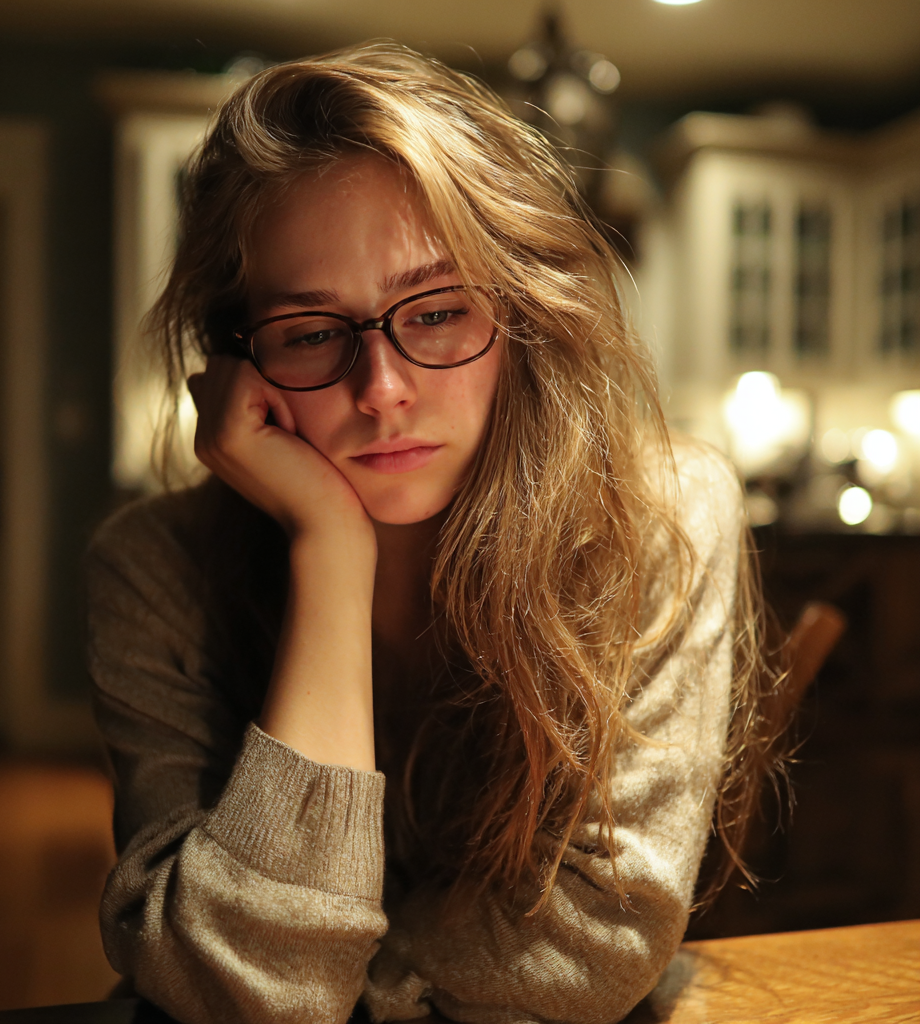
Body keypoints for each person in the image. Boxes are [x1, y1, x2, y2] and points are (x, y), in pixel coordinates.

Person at [87, 43, 784, 1024]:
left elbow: (594, 940)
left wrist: (341, 980)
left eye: (439, 310)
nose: (382, 391)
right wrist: (330, 550)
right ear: (234, 361)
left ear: (521, 311)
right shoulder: (152, 572)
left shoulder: (661, 517)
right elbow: (243, 991)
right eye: (311, 333)